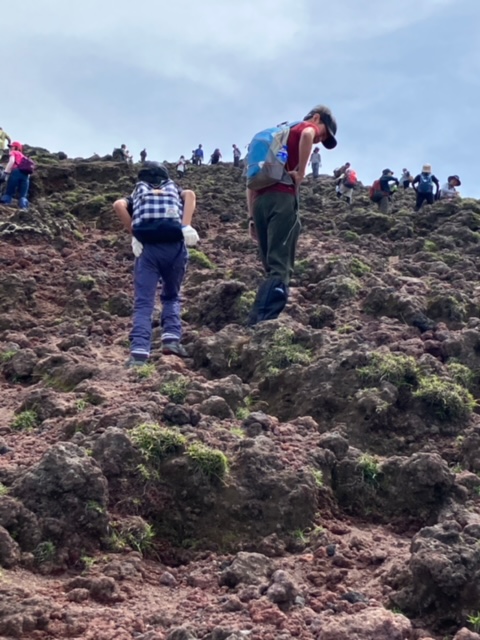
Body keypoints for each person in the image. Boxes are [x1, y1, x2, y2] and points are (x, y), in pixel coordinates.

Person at [246, 104, 337, 325]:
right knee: (281, 265)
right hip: (282, 199)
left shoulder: (278, 139)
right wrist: (301, 172)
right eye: (322, 134)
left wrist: (251, 218)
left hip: (260, 203)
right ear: (317, 118)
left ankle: (256, 320)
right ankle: (264, 323)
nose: (318, 141)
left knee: (270, 264)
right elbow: (307, 134)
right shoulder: (304, 128)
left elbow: (250, 183)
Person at [113, 162, 199, 366]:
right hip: (174, 247)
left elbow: (118, 205)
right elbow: (190, 195)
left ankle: (139, 353)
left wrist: (134, 235)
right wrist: (185, 226)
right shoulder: (174, 188)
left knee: (144, 302)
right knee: (171, 296)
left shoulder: (138, 191)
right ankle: (171, 340)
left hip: (148, 249)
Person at [0, 142, 32, 209]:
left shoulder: (13, 152)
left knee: (9, 191)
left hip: (16, 172)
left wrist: (6, 172)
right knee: (23, 195)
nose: (10, 148)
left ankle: (5, 204)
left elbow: (11, 161)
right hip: (26, 175)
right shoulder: (24, 156)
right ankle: (23, 208)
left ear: (16, 147)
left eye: (12, 146)